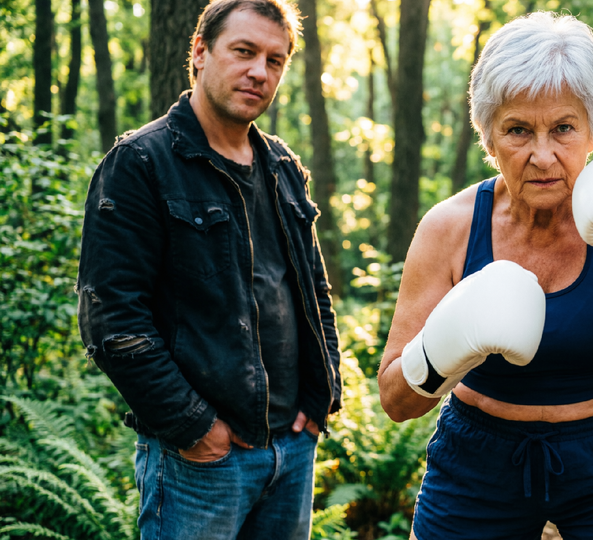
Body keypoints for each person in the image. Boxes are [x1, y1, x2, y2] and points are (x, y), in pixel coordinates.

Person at [376, 12, 593, 540]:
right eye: (517, 130)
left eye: (562, 128)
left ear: (592, 131)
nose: (542, 155)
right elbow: (397, 402)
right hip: (477, 461)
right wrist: (442, 349)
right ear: (488, 136)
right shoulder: (450, 229)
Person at [76, 1, 341, 538]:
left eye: (275, 59)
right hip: (200, 462)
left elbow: (314, 289)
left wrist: (321, 399)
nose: (259, 72)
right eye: (243, 52)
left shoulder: (283, 167)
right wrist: (196, 429)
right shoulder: (142, 163)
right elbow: (112, 319)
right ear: (199, 54)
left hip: (290, 450)